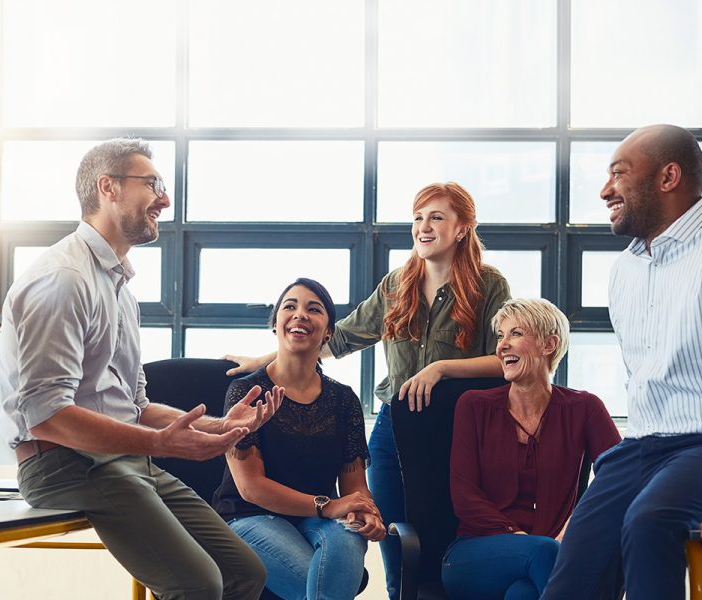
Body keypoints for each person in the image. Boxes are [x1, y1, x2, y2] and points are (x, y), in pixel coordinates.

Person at [0, 138, 285, 600]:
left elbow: (137, 405)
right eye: (152, 184)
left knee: (245, 573)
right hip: (63, 464)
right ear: (108, 188)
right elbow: (46, 414)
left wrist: (218, 427)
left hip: (125, 460)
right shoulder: (64, 279)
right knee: (199, 584)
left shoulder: (120, 291)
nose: (165, 199)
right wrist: (156, 443)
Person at [225, 182, 511, 599]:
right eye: (417, 218)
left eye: (436, 217)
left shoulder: (488, 285)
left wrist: (441, 368)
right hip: (394, 433)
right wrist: (265, 360)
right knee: (396, 549)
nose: (423, 227)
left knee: (444, 551)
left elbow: (505, 361)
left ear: (463, 228)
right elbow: (334, 338)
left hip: (455, 434)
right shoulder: (397, 285)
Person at [541, 124, 702, 600]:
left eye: (619, 174)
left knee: (650, 520)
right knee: (579, 556)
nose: (605, 189)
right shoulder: (624, 270)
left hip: (698, 443)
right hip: (643, 445)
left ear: (668, 176)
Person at [213, 278, 384, 599]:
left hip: (320, 518)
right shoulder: (247, 391)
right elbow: (250, 488)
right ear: (275, 325)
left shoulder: (344, 399)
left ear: (330, 330)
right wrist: (328, 505)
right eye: (289, 306)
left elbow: (355, 487)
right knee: (324, 582)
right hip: (250, 516)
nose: (300, 314)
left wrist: (365, 511)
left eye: (313, 309)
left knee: (350, 539)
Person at [443, 298, 621, 599]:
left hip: (546, 557)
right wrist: (520, 539)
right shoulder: (473, 405)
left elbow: (619, 477)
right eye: (500, 336)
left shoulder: (585, 407)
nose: (502, 346)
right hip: (472, 555)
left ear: (548, 344)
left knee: (523, 594)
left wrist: (572, 527)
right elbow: (465, 497)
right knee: (542, 552)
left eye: (515, 334)